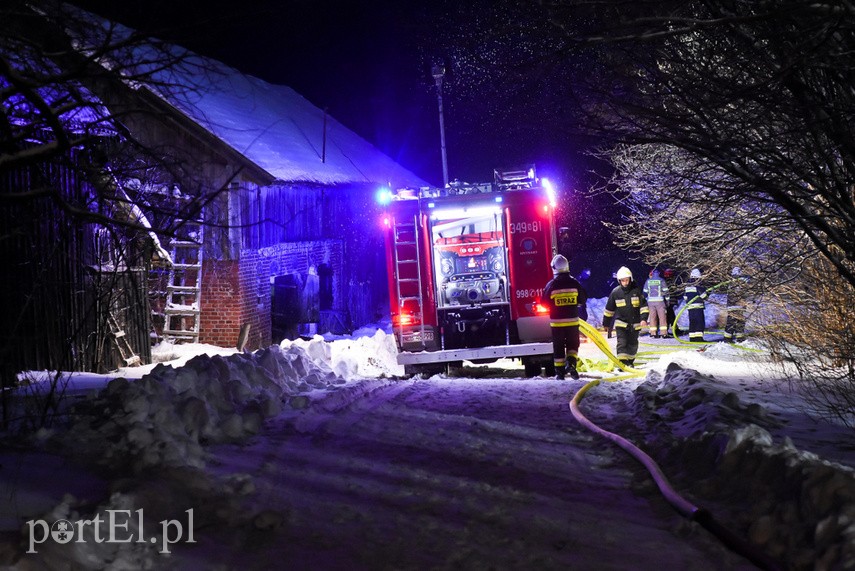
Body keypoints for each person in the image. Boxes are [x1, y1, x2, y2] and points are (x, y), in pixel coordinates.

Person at [543, 254, 587, 380]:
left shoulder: (551, 285)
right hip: (572, 322)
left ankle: (560, 372)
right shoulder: (575, 283)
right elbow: (583, 299)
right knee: (573, 344)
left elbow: (544, 303)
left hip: (557, 324)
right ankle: (572, 364)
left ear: (554, 268)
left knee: (558, 347)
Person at [602, 266, 648, 368]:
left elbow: (644, 306)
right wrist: (606, 323)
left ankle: (630, 361)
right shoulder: (615, 292)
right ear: (619, 281)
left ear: (630, 279)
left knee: (633, 344)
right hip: (621, 324)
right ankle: (622, 363)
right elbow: (609, 310)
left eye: (627, 280)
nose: (625, 283)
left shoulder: (636, 291)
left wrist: (644, 319)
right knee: (622, 343)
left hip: (635, 324)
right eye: (623, 281)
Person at [642, 268, 669, 338]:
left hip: (650, 302)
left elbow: (645, 292)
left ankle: (653, 333)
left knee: (652, 317)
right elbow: (666, 291)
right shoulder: (661, 280)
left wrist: (646, 300)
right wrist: (667, 301)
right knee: (662, 317)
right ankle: (664, 333)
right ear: (659, 273)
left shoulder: (648, 281)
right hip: (660, 301)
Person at [683, 268, 708, 342]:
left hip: (690, 307)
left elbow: (685, 297)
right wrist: (707, 294)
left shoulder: (687, 286)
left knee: (692, 322)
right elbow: (703, 296)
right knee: (699, 322)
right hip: (698, 306)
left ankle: (692, 338)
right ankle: (699, 338)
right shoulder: (698, 285)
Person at [724, 266, 748, 343]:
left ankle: (728, 338)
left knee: (732, 322)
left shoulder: (731, 283)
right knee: (739, 322)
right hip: (738, 306)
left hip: (732, 306)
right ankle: (738, 339)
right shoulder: (741, 283)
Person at [663, 268, 682, 336]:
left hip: (668, 301)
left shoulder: (664, 282)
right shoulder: (671, 283)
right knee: (670, 316)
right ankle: (671, 330)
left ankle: (674, 330)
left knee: (670, 316)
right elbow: (675, 292)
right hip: (670, 301)